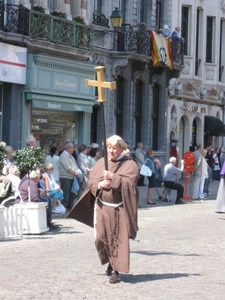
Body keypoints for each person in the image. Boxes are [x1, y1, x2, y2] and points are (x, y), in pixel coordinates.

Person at [67, 135, 139, 284]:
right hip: (101, 207)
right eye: (109, 148)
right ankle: (110, 262)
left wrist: (113, 178)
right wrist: (101, 185)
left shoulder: (129, 165)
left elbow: (130, 185)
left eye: (114, 148)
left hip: (119, 209)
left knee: (117, 239)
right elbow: (92, 184)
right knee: (101, 238)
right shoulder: (101, 163)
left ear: (121, 148)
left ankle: (115, 270)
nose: (111, 151)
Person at [58, 142, 80, 212]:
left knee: (72, 193)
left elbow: (75, 165)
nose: (73, 150)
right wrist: (75, 172)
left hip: (71, 177)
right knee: (66, 193)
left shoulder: (71, 156)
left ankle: (70, 207)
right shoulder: (63, 156)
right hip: (65, 177)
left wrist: (77, 171)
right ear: (69, 148)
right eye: (72, 148)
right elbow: (67, 167)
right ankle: (64, 207)